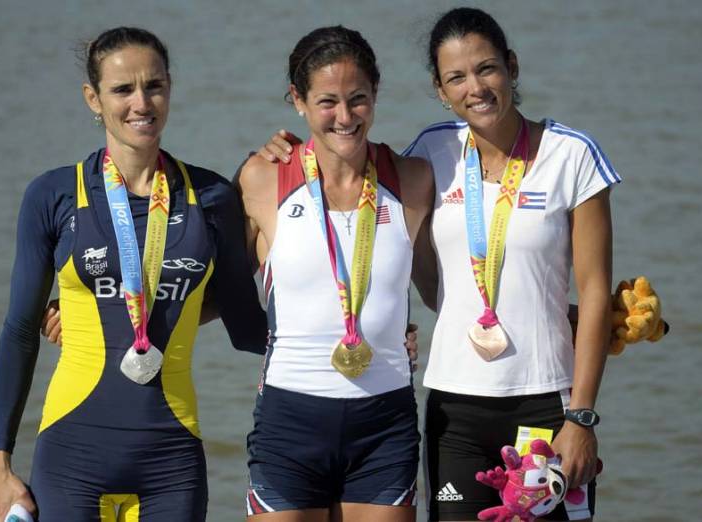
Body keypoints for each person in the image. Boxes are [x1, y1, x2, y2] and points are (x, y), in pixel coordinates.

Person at [259, 8, 618, 521]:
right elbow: (369, 207)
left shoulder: (572, 155)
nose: (476, 87)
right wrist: (291, 151)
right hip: (454, 407)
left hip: (547, 402)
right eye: (457, 77)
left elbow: (597, 289)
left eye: (487, 68)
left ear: (512, 67)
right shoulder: (432, 152)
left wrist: (581, 417)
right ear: (440, 88)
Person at [0, 27, 268, 522]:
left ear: (169, 88)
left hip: (171, 462)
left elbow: (249, 330)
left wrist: (372, 332)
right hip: (71, 457)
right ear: (93, 99)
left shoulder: (214, 198)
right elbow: (19, 332)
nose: (141, 103)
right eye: (122, 90)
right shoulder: (52, 195)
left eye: (154, 86)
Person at [236, 26, 434, 521]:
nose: (344, 117)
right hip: (289, 422)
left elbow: (454, 285)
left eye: (358, 99)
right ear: (297, 101)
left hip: (383, 425)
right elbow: (216, 288)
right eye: (327, 101)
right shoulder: (262, 178)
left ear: (375, 96)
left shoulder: (412, 179)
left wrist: (565, 316)